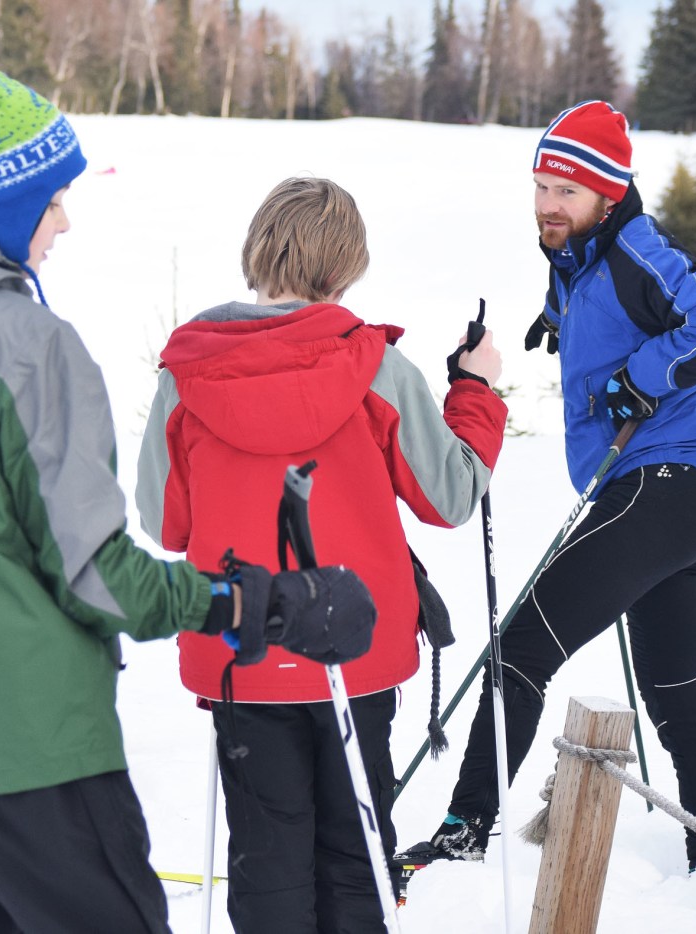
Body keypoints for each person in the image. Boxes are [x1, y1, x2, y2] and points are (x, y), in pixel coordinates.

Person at [0, 67, 374, 933]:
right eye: (51, 198)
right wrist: (254, 601)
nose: (65, 221)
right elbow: (97, 575)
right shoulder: (24, 341)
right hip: (24, 747)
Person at [136, 176, 507, 932]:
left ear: (258, 248)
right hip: (354, 648)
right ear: (344, 266)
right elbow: (451, 495)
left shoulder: (188, 376)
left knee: (267, 856)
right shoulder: (374, 369)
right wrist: (473, 390)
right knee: (355, 851)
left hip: (242, 646)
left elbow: (163, 523)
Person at [408, 100, 696, 873]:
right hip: (684, 500)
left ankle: (463, 833)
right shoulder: (581, 260)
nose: (547, 204)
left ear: (608, 193)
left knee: (519, 653)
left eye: (567, 192)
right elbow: (604, 303)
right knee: (674, 695)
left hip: (658, 486)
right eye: (540, 185)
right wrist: (547, 323)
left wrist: (639, 376)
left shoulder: (635, 246)